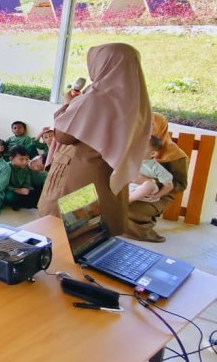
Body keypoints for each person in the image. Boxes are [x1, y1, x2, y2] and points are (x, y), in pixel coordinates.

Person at [38, 43, 151, 238]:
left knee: (68, 234)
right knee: (95, 235)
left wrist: (68, 105)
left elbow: (64, 135)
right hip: (109, 177)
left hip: (81, 179)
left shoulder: (96, 96)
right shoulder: (137, 99)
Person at [127, 113, 189, 242]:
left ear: (161, 128)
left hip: (160, 194)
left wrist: (150, 182)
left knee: (131, 208)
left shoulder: (176, 155)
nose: (145, 129)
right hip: (132, 186)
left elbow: (180, 184)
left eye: (150, 126)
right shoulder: (137, 145)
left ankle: (140, 231)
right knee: (110, 201)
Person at [128, 135, 175, 204]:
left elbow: (169, 185)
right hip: (129, 187)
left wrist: (157, 196)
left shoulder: (156, 167)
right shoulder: (130, 160)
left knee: (150, 184)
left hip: (145, 191)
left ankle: (128, 200)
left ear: (152, 153)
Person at [4, 146, 46, 210]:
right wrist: (16, 190)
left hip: (24, 189)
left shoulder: (25, 168)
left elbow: (27, 181)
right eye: (34, 160)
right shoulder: (7, 168)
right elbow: (3, 184)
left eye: (26, 159)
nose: (25, 162)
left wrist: (27, 188)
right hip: (10, 189)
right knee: (11, 197)